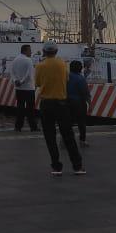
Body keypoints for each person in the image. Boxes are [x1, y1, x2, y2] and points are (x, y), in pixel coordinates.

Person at [34, 42, 83, 176]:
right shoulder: (62, 64)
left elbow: (37, 83)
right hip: (61, 103)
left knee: (50, 136)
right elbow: (66, 79)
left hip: (46, 104)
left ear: (44, 52)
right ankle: (77, 166)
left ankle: (56, 167)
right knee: (68, 136)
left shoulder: (39, 66)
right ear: (56, 51)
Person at [9, 44, 38, 132]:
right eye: (29, 50)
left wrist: (16, 81)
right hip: (28, 88)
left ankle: (18, 127)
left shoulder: (15, 60)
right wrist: (22, 82)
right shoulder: (28, 60)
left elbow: (12, 72)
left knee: (20, 107)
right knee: (30, 109)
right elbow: (29, 75)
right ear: (25, 51)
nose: (31, 52)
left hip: (18, 89)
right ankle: (33, 127)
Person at [67, 60, 90, 145]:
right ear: (80, 68)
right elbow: (85, 92)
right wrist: (89, 103)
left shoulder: (66, 77)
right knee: (81, 122)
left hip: (66, 102)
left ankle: (65, 139)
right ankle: (82, 140)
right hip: (79, 103)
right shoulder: (81, 78)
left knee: (68, 122)